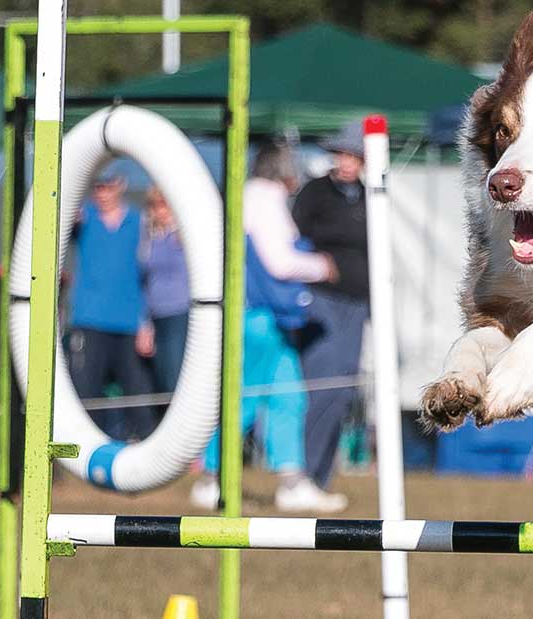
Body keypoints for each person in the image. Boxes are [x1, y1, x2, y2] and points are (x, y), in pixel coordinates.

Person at [191, 144, 342, 513]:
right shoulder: (265, 200)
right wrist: (322, 266)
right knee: (242, 399)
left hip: (264, 318)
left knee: (288, 397)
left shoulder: (248, 198)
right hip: (258, 317)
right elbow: (279, 263)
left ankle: (292, 481)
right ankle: (211, 478)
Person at [289, 123, 370, 504]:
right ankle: (300, 475)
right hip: (320, 301)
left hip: (358, 304)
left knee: (343, 389)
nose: (347, 162)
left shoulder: (371, 199)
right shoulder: (315, 193)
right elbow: (291, 244)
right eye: (342, 154)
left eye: (354, 156)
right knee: (320, 384)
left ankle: (320, 477)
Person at [66, 170, 155, 441]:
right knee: (87, 391)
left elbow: (149, 276)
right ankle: (85, 447)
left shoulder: (139, 222)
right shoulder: (84, 218)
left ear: (121, 185)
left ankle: (148, 447)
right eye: (98, 186)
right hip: (89, 320)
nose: (103, 192)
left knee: (138, 392)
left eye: (108, 185)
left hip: (129, 322)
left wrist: (145, 323)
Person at [138, 187, 190, 393]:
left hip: (180, 311)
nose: (161, 210)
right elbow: (144, 280)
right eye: (156, 204)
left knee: (175, 375)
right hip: (157, 313)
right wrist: (144, 323)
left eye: (165, 204)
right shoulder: (148, 237)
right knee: (161, 375)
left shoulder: (184, 235)